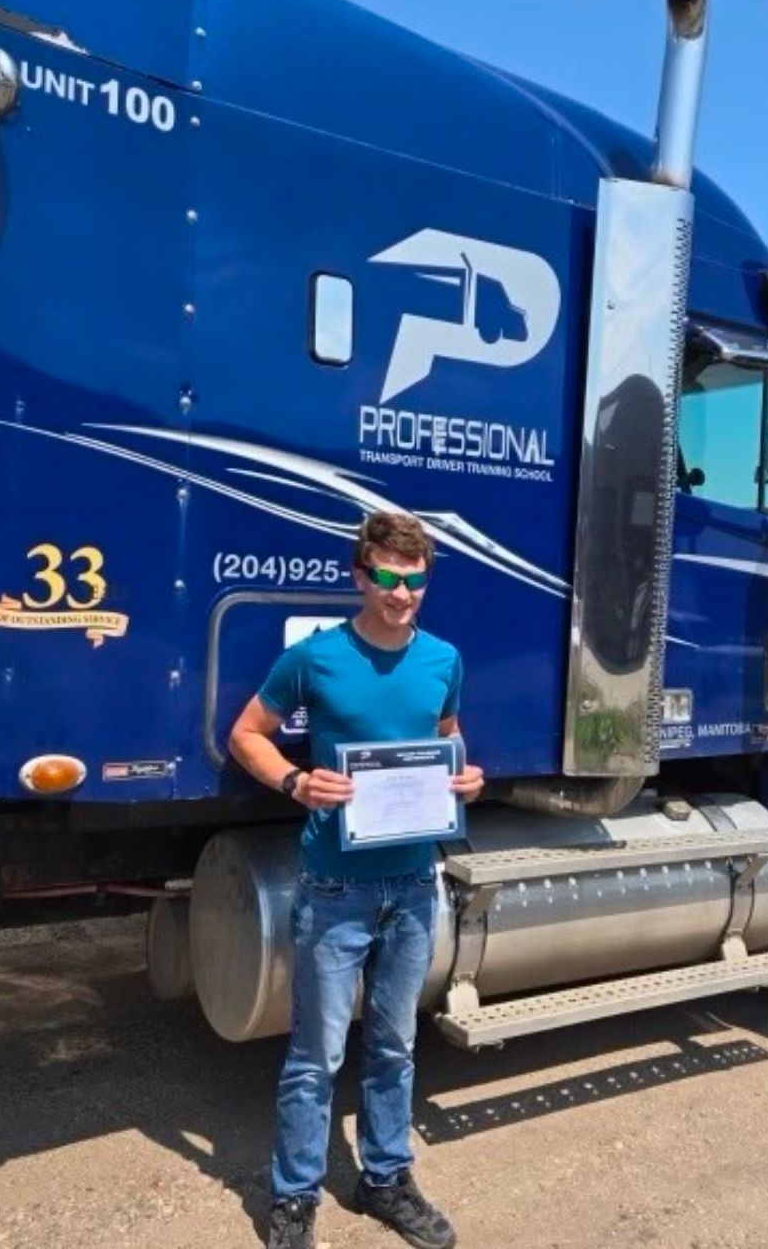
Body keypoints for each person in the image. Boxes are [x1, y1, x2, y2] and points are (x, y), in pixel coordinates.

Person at [229, 512, 484, 1249]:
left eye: (415, 579)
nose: (401, 592)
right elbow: (246, 733)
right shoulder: (315, 659)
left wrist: (463, 777)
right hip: (336, 888)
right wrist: (294, 782)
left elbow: (443, 739)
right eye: (387, 577)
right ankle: (294, 1197)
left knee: (397, 1045)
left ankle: (385, 1179)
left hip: (412, 884)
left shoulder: (443, 659)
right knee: (317, 1055)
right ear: (360, 576)